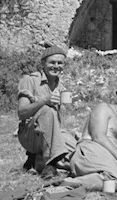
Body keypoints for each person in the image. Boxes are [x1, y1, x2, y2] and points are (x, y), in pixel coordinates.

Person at [69, 80, 117, 190]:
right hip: (91, 151)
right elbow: (98, 137)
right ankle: (69, 184)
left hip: (112, 163)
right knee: (114, 181)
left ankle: (79, 182)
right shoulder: (105, 108)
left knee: (116, 182)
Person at [17, 45, 77, 179]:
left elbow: (61, 117)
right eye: (52, 62)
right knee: (46, 110)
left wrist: (65, 105)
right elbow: (21, 113)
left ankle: (38, 160)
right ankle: (50, 165)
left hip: (51, 134)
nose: (56, 66)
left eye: (60, 63)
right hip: (30, 134)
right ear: (43, 63)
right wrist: (44, 100)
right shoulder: (30, 80)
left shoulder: (60, 87)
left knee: (77, 149)